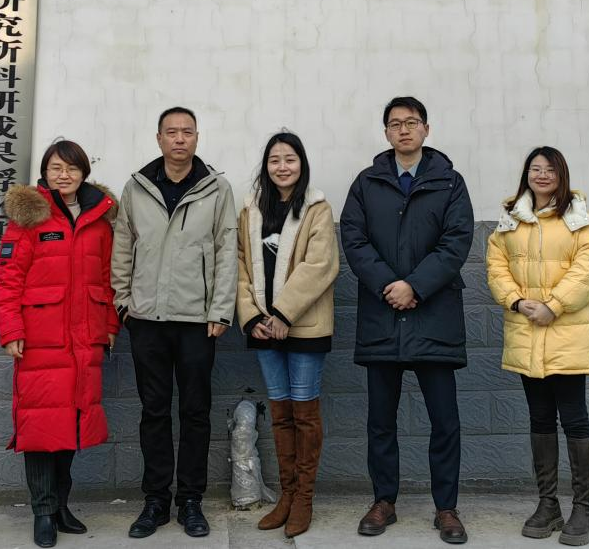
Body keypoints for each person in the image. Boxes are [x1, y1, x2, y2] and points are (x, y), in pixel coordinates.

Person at [340, 96, 474, 545]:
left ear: (426, 129)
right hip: (383, 317)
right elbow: (354, 240)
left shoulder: (450, 182)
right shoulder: (367, 183)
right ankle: (384, 501)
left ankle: (446, 507)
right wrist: (389, 285)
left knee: (444, 421)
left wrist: (415, 286)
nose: (404, 130)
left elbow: (456, 242)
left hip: (434, 316)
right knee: (381, 421)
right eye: (395, 124)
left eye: (412, 122)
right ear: (386, 133)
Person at [110, 107, 238, 539]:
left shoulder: (216, 188)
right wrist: (123, 302)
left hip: (197, 321)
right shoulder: (137, 187)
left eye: (187, 132)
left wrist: (220, 310)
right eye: (172, 132)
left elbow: (227, 250)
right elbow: (123, 244)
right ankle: (155, 501)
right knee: (154, 411)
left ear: (197, 137)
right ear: (159, 138)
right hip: (147, 319)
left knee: (195, 411)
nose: (179, 139)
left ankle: (191, 501)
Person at [0, 140, 120, 548]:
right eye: (55, 168)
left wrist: (110, 324)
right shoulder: (29, 217)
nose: (63, 175)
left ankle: (62, 505)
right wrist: (11, 330)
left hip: (85, 339)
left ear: (84, 172)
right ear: (45, 173)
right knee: (40, 425)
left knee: (73, 423)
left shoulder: (99, 220)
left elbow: (107, 279)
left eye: (71, 168)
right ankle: (43, 512)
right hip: (40, 340)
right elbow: (9, 278)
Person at [486, 147, 589, 546]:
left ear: (561, 175)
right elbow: (496, 267)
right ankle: (548, 504)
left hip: (568, 332)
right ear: (526, 175)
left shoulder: (580, 220)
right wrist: (517, 302)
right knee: (539, 418)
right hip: (526, 330)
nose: (541, 175)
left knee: (574, 417)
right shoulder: (511, 219)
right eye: (534, 169)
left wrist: (553, 306)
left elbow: (587, 272)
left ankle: (583, 509)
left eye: (549, 169)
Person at [235, 132, 339, 538]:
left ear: (302, 164)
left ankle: (304, 499)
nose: (282, 167)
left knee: (304, 413)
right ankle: (287, 494)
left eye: (290, 159)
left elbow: (321, 265)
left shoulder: (317, 208)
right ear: (266, 166)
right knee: (280, 413)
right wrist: (251, 317)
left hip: (304, 326)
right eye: (274, 160)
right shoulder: (251, 210)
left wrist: (283, 313)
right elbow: (240, 264)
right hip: (263, 327)